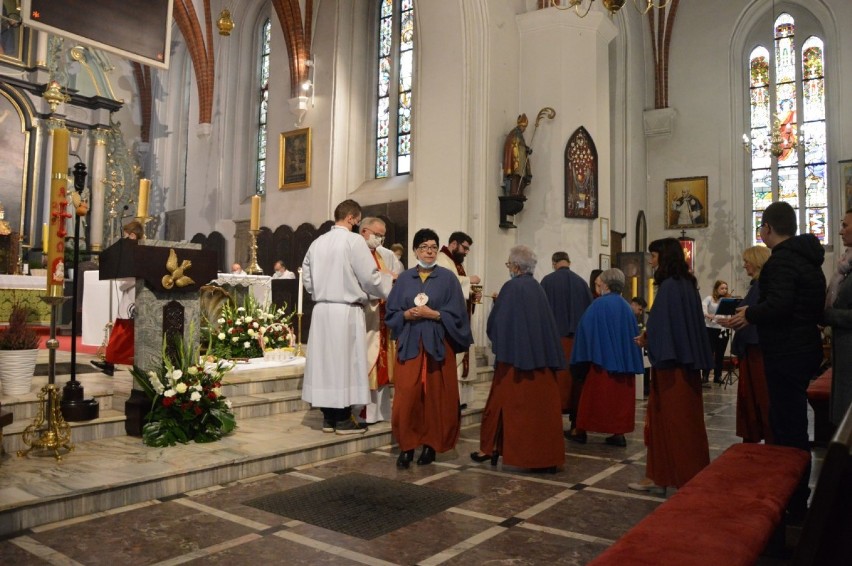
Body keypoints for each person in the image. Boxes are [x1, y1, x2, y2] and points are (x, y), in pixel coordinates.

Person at [726, 201, 825, 521]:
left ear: (767, 228)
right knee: (789, 422)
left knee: (787, 428)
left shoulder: (782, 262)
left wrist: (750, 313)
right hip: (803, 347)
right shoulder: (808, 259)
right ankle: (794, 495)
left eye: (761, 228)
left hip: (786, 351)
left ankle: (793, 500)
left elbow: (780, 305)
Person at [300, 199, 393, 435]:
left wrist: (321, 292)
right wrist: (388, 281)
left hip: (321, 310)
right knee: (344, 364)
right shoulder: (354, 241)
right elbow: (370, 277)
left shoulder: (317, 242)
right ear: (352, 218)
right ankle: (342, 419)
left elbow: (308, 279)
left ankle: (329, 418)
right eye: (357, 219)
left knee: (326, 365)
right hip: (346, 310)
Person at [471, 245, 564, 472]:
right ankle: (545, 457)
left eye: (508, 265)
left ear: (515, 266)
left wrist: (498, 303)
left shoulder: (511, 287)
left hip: (514, 362)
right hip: (541, 361)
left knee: (505, 405)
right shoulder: (537, 288)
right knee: (541, 412)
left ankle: (491, 448)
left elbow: (496, 325)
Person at [631, 237, 712, 493]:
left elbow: (661, 325)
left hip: (672, 366)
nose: (652, 261)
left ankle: (678, 475)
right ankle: (664, 474)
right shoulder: (687, 284)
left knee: (673, 422)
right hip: (685, 363)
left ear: (664, 258)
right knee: (675, 420)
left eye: (654, 256)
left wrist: (646, 338)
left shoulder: (669, 287)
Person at [386, 228, 472, 469]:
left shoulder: (447, 278)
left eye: (433, 247)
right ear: (415, 251)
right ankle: (406, 446)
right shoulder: (404, 279)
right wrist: (406, 313)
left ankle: (431, 445)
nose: (429, 251)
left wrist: (435, 314)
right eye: (424, 247)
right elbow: (391, 313)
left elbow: (458, 314)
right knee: (407, 396)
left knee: (436, 397)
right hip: (411, 343)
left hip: (437, 344)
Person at [569, 269, 645, 448]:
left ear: (607, 285)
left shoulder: (598, 305)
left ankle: (580, 430)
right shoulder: (626, 307)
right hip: (623, 365)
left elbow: (585, 331)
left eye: (600, 283)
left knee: (593, 398)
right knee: (620, 402)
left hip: (602, 363)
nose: (599, 286)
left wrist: (581, 358)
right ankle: (618, 434)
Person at [540, 251, 594, 434]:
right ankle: (577, 426)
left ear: (554, 263)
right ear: (569, 262)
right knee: (577, 384)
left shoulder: (547, 281)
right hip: (579, 343)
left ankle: (552, 425)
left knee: (555, 385)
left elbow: (541, 314)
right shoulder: (581, 283)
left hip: (555, 342)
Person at [357, 217, 403, 424]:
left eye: (383, 235)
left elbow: (397, 276)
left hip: (383, 316)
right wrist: (385, 277)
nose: (380, 239)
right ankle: (363, 411)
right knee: (367, 360)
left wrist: (391, 278)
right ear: (364, 231)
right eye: (377, 234)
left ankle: (381, 412)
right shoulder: (355, 251)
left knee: (383, 363)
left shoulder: (385, 254)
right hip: (365, 315)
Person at [726, 246, 773, 443]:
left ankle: (764, 436)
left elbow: (754, 315)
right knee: (753, 397)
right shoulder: (757, 285)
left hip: (756, 349)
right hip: (752, 347)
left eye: (747, 261)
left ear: (757, 262)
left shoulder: (761, 285)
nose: (744, 264)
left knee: (760, 397)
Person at [91, 220, 145, 376]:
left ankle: (111, 361)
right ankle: (110, 361)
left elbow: (131, 278)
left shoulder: (136, 252)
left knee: (123, 334)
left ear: (133, 235)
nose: (125, 238)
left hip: (133, 297)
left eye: (127, 235)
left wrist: (120, 283)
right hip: (131, 296)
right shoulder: (138, 251)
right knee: (122, 333)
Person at [435, 231, 482, 406]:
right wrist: (470, 280)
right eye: (465, 248)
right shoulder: (441, 259)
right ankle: (452, 398)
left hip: (460, 316)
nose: (466, 252)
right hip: (448, 318)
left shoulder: (454, 262)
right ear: (454, 244)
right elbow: (449, 282)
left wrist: (473, 293)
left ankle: (462, 398)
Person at [824, 208, 852, 425]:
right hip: (843, 345)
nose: (841, 231)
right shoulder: (846, 264)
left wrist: (829, 315)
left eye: (845, 225)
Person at [702, 280, 731, 385]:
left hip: (723, 329)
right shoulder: (709, 298)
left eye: (726, 288)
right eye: (722, 288)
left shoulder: (727, 300)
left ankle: (717, 376)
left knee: (720, 353)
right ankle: (705, 375)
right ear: (716, 289)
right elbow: (703, 307)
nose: (724, 290)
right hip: (711, 328)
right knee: (709, 352)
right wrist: (707, 315)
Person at [502, 114, 531, 196]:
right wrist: (523, 149)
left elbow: (522, 145)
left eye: (525, 127)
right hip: (516, 159)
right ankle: (515, 192)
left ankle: (519, 192)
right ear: (520, 125)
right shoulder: (514, 133)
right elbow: (513, 145)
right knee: (516, 174)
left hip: (521, 159)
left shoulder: (520, 134)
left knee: (521, 175)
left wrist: (527, 149)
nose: (524, 129)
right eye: (523, 127)